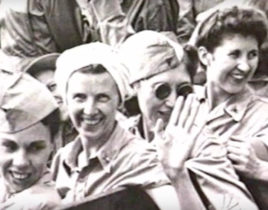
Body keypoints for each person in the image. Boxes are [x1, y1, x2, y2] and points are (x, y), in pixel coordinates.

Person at [52, 42, 206, 209]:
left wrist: (178, 175)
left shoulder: (140, 159)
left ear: (119, 101)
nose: (90, 110)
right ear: (66, 100)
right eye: (80, 98)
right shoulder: (63, 158)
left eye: (102, 98)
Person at [118, 30, 258, 210]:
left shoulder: (201, 144)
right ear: (135, 87)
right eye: (162, 90)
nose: (173, 101)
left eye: (183, 90)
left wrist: (179, 174)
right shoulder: (125, 135)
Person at [190, 5, 268, 209]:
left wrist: (260, 169)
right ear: (205, 56)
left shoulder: (264, 115)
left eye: (252, 54)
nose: (245, 66)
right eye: (234, 54)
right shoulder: (184, 102)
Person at [0, 72, 61, 209]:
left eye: (35, 148)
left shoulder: (45, 204)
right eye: (10, 146)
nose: (21, 162)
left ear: (53, 143)